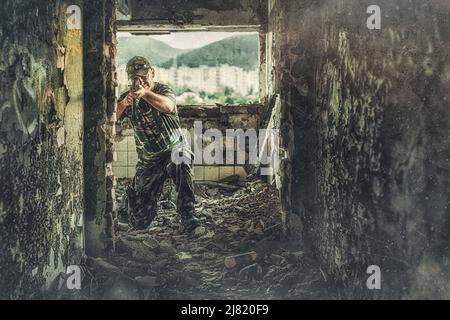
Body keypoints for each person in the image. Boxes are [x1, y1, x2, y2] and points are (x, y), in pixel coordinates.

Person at [116, 56, 201, 233]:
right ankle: (128, 202)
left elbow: (168, 106)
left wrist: (146, 94)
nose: (140, 81)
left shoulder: (162, 90)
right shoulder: (127, 98)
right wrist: (124, 103)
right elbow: (110, 118)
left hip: (174, 149)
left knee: (181, 159)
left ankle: (187, 214)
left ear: (152, 73)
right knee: (139, 221)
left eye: (143, 76)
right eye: (135, 77)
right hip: (149, 160)